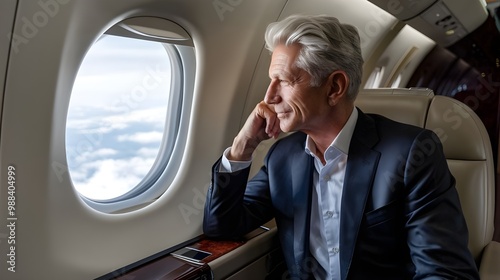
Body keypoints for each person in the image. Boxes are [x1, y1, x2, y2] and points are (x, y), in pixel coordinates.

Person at [203, 14, 479, 279]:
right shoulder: (282, 157)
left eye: (285, 81)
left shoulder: (411, 154)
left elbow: (445, 272)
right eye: (270, 80)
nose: (269, 96)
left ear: (334, 87)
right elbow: (223, 226)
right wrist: (243, 146)